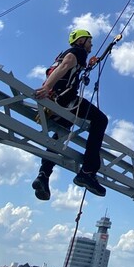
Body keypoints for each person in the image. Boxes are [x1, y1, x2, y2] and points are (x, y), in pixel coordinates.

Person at [32, 29, 108, 200]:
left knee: (60, 134)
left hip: (55, 103)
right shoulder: (77, 52)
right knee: (100, 120)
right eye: (89, 41)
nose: (91, 45)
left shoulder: (68, 54)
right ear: (81, 41)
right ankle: (88, 171)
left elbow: (65, 67)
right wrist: (47, 87)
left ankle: (43, 175)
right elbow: (65, 65)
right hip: (66, 101)